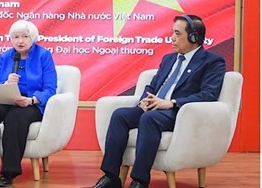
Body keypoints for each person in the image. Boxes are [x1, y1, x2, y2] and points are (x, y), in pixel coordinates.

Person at [90, 15, 226, 188]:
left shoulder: (212, 62)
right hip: (154, 107)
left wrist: (173, 102)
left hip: (178, 113)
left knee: (149, 119)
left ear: (194, 37)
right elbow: (152, 85)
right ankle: (110, 178)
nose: (172, 38)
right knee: (120, 115)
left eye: (177, 34)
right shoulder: (169, 59)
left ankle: (139, 181)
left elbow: (209, 94)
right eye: (172, 33)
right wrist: (145, 100)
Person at [0, 20, 57, 187]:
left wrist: (31, 100)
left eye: (24, 36)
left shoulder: (43, 55)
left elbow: (50, 88)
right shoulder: (5, 56)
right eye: (15, 37)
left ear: (33, 38)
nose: (20, 41)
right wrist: (5, 84)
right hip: (6, 99)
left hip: (30, 103)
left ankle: (9, 172)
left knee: (15, 119)